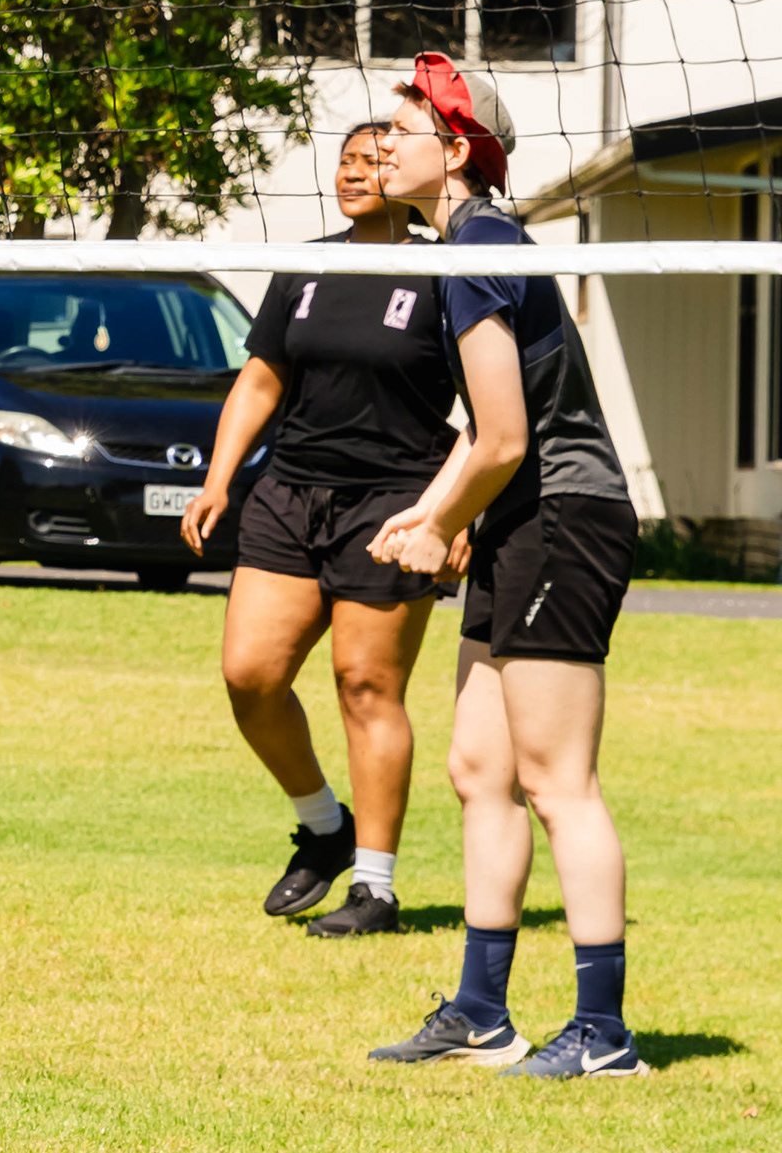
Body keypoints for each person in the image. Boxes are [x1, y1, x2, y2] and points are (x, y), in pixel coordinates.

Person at [361, 56, 647, 1079]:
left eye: (400, 129)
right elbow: (487, 433)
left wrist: (442, 520)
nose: (379, 145)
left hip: (564, 514)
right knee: (479, 768)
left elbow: (508, 437)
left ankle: (603, 1032)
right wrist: (429, 513)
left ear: (456, 149)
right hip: (522, 515)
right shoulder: (465, 246)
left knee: (557, 781)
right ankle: (482, 1012)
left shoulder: (481, 246)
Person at [178, 119, 449, 937]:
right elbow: (262, 377)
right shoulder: (306, 263)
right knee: (249, 674)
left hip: (392, 501)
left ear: (409, 173)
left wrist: (452, 512)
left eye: (374, 161)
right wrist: (218, 479)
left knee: (366, 686)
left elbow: (489, 397)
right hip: (290, 492)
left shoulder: (448, 268)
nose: (355, 172)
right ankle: (324, 826)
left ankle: (376, 888)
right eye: (347, 160)